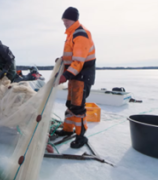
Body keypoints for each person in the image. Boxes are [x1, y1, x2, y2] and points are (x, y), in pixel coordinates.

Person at [55, 7, 96, 149]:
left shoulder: (80, 34)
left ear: (73, 19)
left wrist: (65, 75)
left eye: (66, 20)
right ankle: (67, 129)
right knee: (70, 104)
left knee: (78, 108)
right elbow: (71, 55)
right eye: (63, 20)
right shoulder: (71, 34)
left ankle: (81, 137)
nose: (64, 22)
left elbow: (79, 61)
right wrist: (62, 61)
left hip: (82, 76)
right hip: (74, 75)